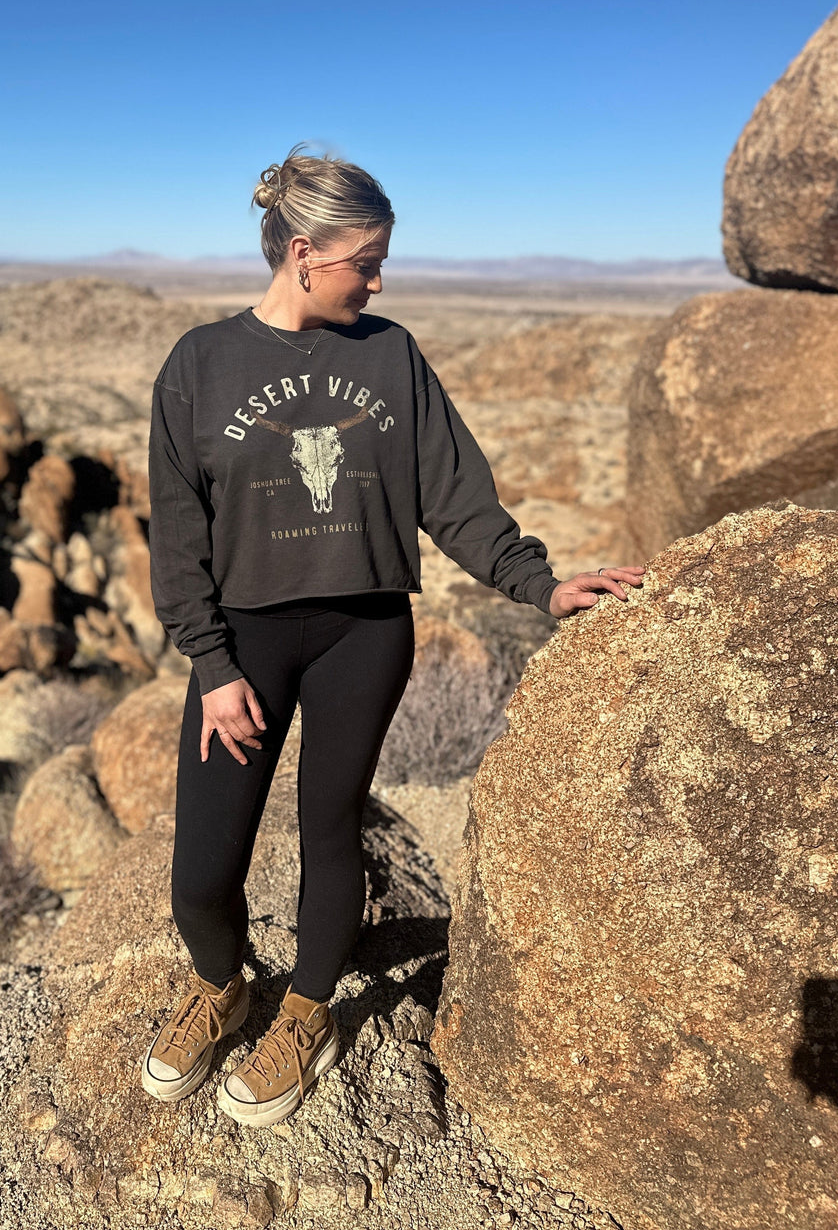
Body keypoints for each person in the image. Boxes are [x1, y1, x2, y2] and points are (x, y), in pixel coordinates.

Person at [139, 145, 644, 1127]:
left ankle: (307, 1012)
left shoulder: (390, 354)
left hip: (363, 634)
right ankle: (220, 985)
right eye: (364, 263)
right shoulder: (201, 363)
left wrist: (539, 583)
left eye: (381, 263)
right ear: (303, 254)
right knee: (202, 867)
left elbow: (455, 497)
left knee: (331, 829)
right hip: (244, 641)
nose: (378, 282)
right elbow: (178, 530)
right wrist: (210, 662)